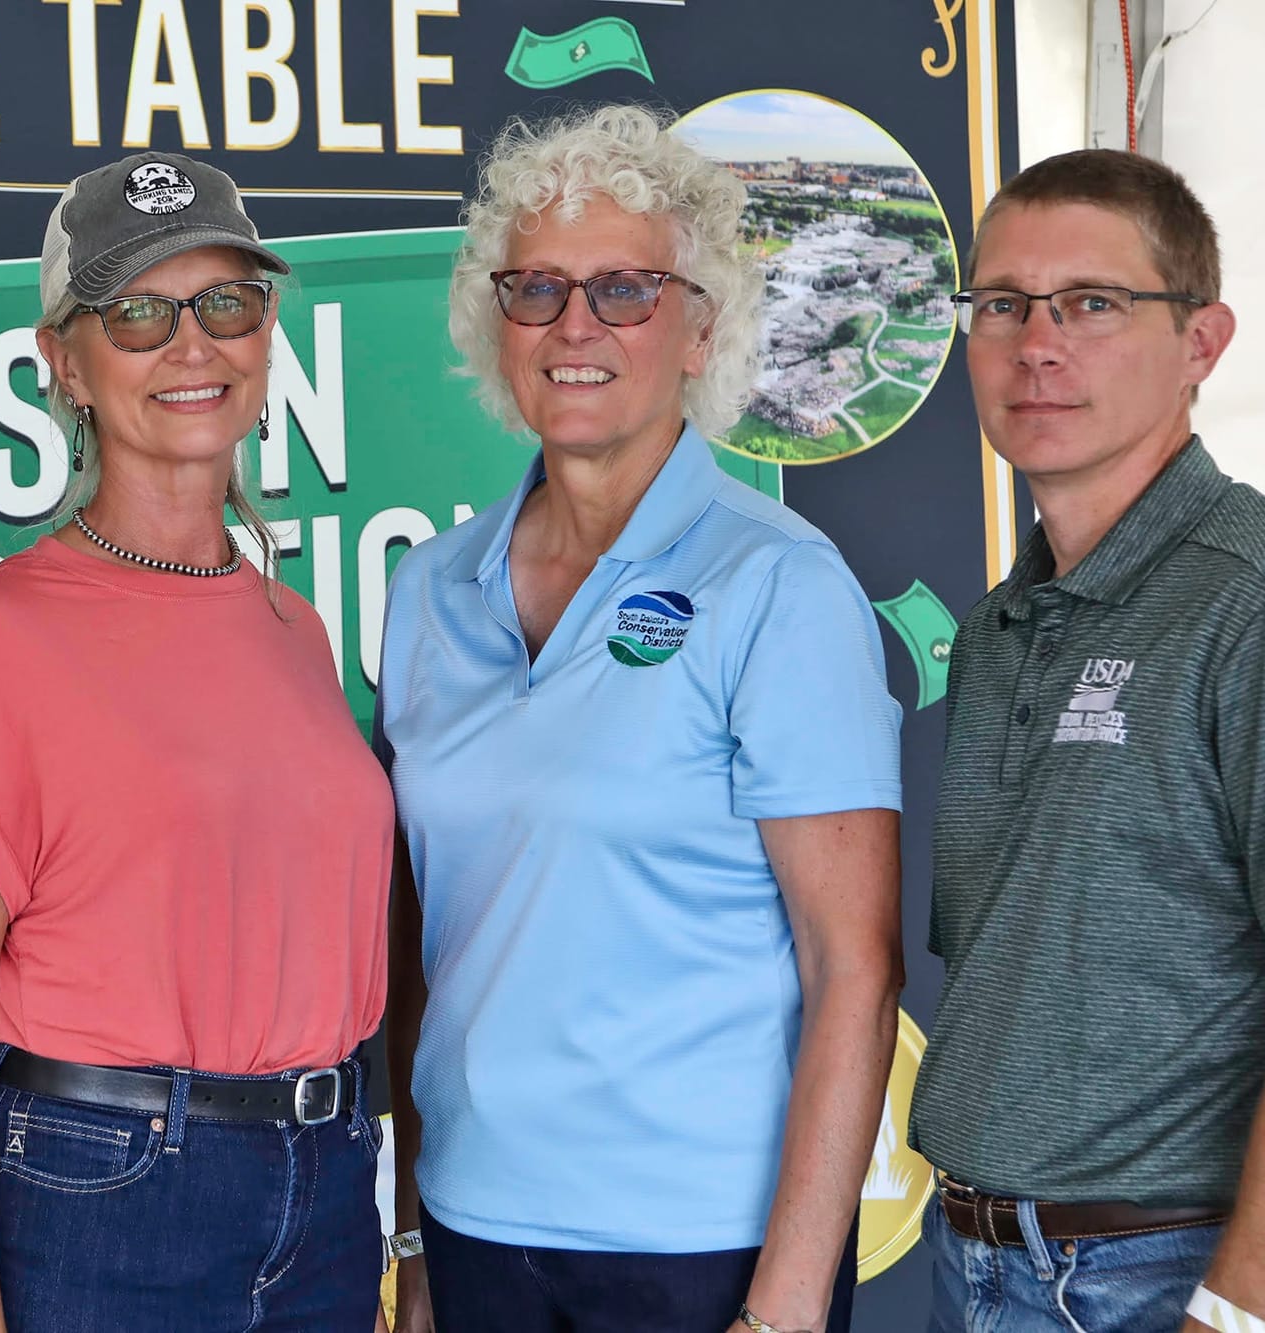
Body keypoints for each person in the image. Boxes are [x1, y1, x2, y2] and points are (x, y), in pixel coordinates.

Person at [377, 105, 905, 1333]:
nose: (574, 326)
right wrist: (408, 1232)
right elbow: (419, 942)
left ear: (698, 328)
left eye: (623, 288)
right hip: (473, 1228)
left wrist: (777, 1310)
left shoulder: (774, 584)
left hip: (702, 1249)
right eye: (537, 289)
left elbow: (852, 972)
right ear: (490, 323)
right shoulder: (425, 591)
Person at [0, 150, 393, 1333]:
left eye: (225, 302)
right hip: (101, 1196)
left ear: (265, 332)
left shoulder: (292, 629)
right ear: (65, 363)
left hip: (324, 1197)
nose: (190, 344)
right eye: (137, 312)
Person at [913, 148, 1265, 1333]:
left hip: (1167, 1277)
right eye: (999, 304)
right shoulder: (999, 625)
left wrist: (1233, 1319)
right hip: (978, 1264)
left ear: (1200, 342)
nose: (1034, 342)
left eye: (1092, 304)